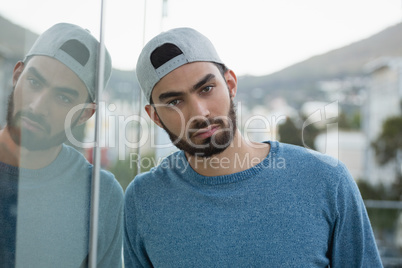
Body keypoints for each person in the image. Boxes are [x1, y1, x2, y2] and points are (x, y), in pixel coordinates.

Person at [124, 27, 384, 267]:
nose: (199, 113)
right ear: (155, 116)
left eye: (206, 89)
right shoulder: (142, 199)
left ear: (231, 84)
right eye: (174, 102)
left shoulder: (327, 179)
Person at [0, 23, 124, 267]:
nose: (37, 106)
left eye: (63, 97)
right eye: (34, 82)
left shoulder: (100, 195)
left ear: (84, 114)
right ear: (17, 76)